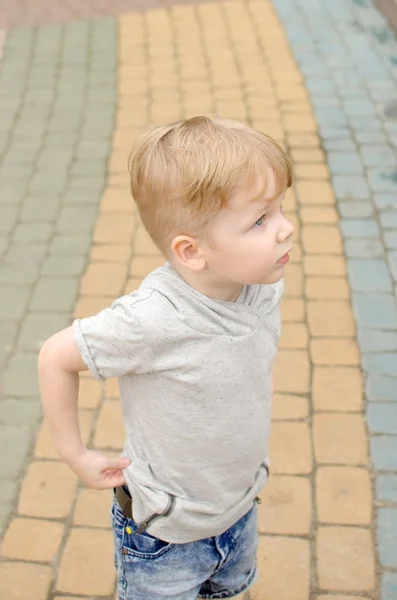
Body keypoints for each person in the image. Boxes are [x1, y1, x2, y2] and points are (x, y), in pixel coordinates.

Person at [38, 116, 294, 600]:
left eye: (281, 208)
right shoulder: (152, 320)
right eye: (261, 220)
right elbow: (55, 356)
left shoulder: (261, 286)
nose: (286, 228)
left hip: (239, 508)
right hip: (166, 536)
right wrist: (74, 452)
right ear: (191, 252)